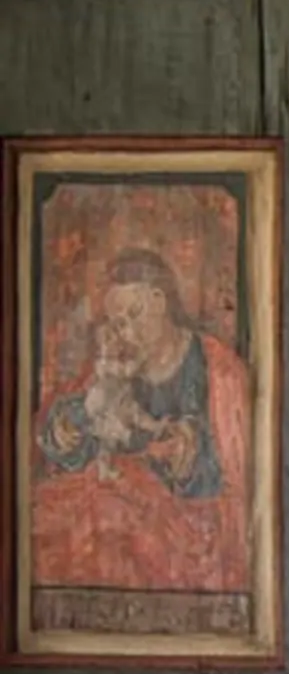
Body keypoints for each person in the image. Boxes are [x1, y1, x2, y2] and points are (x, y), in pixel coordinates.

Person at [30, 244, 253, 607]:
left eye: (135, 315)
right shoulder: (118, 361)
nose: (127, 331)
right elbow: (87, 417)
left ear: (159, 300)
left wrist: (186, 456)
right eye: (118, 323)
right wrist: (64, 431)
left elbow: (237, 479)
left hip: (190, 529)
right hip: (119, 517)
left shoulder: (216, 368)